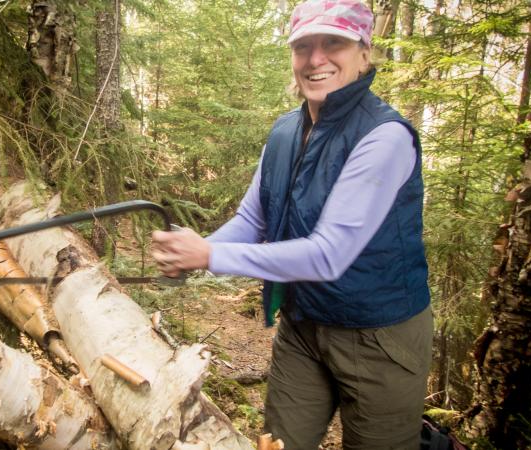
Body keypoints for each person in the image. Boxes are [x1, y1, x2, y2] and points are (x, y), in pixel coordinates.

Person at [151, 0, 433, 448]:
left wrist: (210, 255)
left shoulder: (385, 137)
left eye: (334, 43)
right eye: (304, 46)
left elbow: (328, 254)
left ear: (364, 51)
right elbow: (252, 218)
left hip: (378, 337)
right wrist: (197, 252)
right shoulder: (285, 131)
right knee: (278, 443)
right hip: (303, 326)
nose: (316, 59)